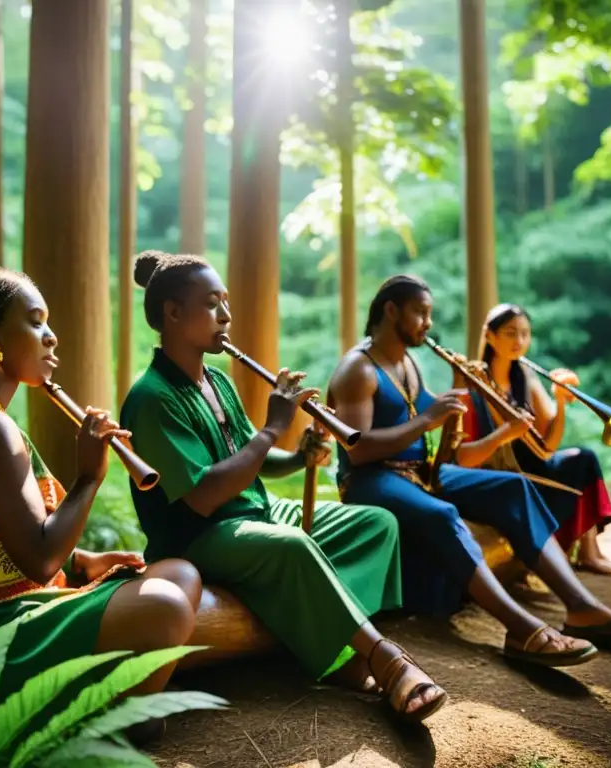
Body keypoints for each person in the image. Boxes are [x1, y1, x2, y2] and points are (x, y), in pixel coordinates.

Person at [119, 251, 447, 724]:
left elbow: (246, 456)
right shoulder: (151, 398)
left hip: (256, 512)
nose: (227, 316)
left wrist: (295, 455)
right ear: (172, 313)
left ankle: (328, 643)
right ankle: (381, 658)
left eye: (226, 302)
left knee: (377, 525)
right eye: (213, 304)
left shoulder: (215, 380)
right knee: (292, 546)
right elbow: (204, 494)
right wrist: (273, 428)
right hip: (201, 535)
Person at [0, 267, 202, 736]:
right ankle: (108, 720)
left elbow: (9, 536)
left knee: (180, 573)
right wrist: (89, 477)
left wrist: (85, 560)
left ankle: (120, 707)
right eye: (35, 321)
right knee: (165, 607)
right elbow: (39, 559)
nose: (51, 337)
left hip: (10, 613)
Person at [326, 275, 611, 667]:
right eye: (421, 313)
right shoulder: (358, 370)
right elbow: (359, 449)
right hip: (371, 479)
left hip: (421, 471)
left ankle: (582, 608)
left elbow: (422, 407)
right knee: (444, 514)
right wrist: (429, 419)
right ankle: (523, 630)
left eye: (430, 314)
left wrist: (466, 395)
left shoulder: (406, 360)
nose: (428, 323)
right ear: (391, 310)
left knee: (515, 487)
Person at [457, 302, 611, 575]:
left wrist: (560, 401)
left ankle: (590, 553)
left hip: (535, 466)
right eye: (511, 333)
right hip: (504, 471)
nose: (519, 341)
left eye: (525, 333)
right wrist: (505, 432)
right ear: (490, 336)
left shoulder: (525, 375)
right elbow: (463, 453)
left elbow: (550, 445)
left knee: (583, 458)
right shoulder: (474, 381)